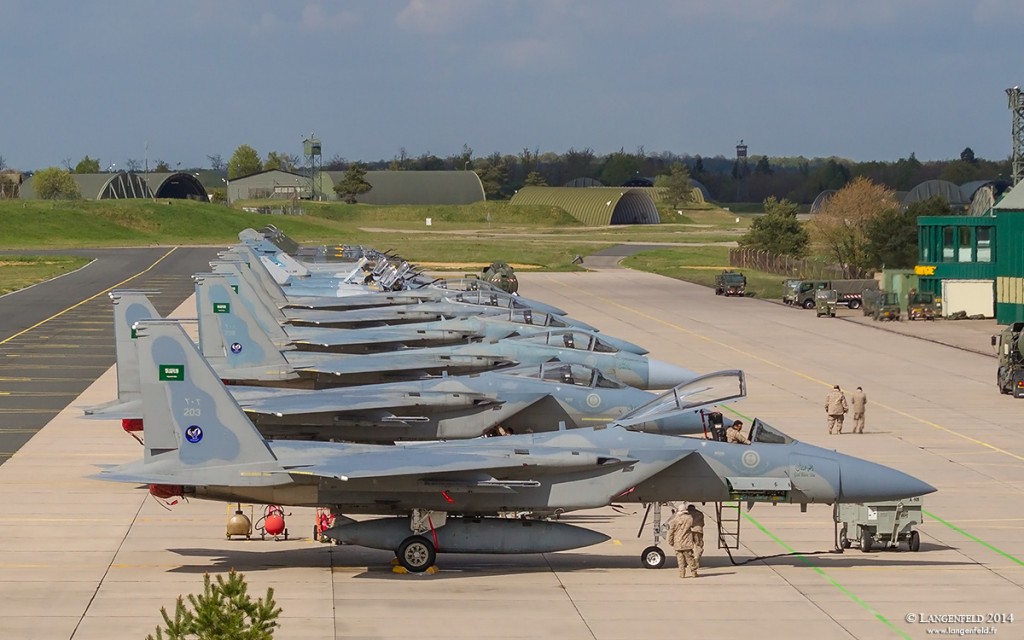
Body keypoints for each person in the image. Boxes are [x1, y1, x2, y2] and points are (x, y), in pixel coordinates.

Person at [667, 507, 697, 578]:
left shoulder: (674, 520)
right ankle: (693, 572)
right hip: (687, 542)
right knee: (690, 559)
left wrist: (670, 541)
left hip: (678, 543)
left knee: (680, 560)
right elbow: (692, 525)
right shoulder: (689, 518)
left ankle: (682, 574)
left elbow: (671, 532)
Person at [686, 504, 705, 569]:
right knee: (698, 545)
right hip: (698, 530)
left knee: (688, 546)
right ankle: (696, 558)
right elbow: (702, 524)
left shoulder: (687, 513)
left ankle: (690, 562)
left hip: (688, 531)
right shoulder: (700, 513)